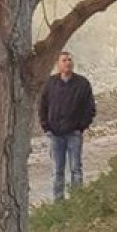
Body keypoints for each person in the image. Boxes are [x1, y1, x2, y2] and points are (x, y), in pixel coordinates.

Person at [39, 51, 95, 202]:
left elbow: (90, 108)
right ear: (58, 64)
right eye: (64, 60)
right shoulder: (50, 83)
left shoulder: (82, 83)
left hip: (74, 134)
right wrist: (46, 128)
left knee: (76, 168)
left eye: (70, 60)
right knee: (57, 170)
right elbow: (42, 106)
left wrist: (80, 127)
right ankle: (59, 201)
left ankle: (77, 200)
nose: (68, 63)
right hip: (55, 135)